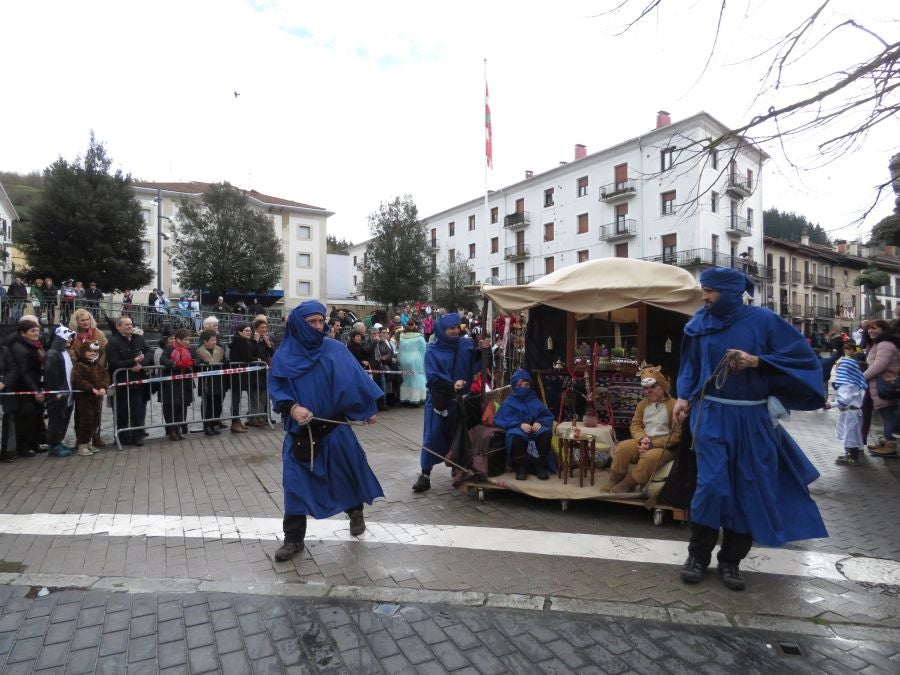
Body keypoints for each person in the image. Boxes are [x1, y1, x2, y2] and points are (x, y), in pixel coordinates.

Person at [673, 267, 827, 592]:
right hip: (711, 413)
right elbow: (690, 365)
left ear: (731, 293)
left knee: (747, 487)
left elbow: (802, 359)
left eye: (710, 290)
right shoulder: (699, 322)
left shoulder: (765, 320)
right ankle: (697, 556)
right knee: (711, 486)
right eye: (704, 289)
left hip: (753, 417)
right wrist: (683, 397)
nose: (704, 296)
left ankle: (731, 561)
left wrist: (757, 361)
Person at [268, 300, 384, 561]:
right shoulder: (284, 355)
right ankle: (293, 539)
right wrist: (292, 407)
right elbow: (277, 388)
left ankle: (355, 511)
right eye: (312, 322)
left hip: (334, 429)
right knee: (294, 486)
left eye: (321, 320)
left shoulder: (335, 349)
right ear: (299, 324)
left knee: (346, 474)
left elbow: (353, 381)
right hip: (300, 434)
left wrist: (365, 410)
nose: (318, 326)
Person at [412, 313, 490, 493]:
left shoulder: (466, 345)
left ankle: (459, 469)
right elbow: (432, 379)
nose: (455, 331)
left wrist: (484, 350)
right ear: (442, 330)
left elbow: (480, 363)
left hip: (460, 402)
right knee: (432, 437)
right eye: (451, 328)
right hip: (439, 402)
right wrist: (451, 386)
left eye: (457, 327)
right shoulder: (432, 351)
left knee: (459, 437)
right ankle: (425, 475)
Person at [602, 366, 681, 492]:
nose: (649, 391)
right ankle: (615, 479)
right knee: (623, 447)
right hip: (645, 440)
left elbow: (676, 435)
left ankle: (630, 483)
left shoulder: (674, 405)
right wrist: (642, 439)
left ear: (662, 385)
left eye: (653, 387)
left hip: (665, 446)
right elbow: (636, 425)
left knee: (650, 457)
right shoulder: (642, 404)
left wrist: (652, 444)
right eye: (645, 388)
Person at [493, 369, 554, 480]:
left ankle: (539, 465)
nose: (523, 387)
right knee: (515, 435)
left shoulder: (534, 400)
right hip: (517, 428)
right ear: (515, 386)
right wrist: (519, 424)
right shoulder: (509, 401)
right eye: (520, 385)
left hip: (534, 428)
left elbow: (546, 416)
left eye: (526, 384)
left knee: (546, 433)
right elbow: (501, 419)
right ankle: (521, 467)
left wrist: (539, 422)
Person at [106, 315, 148, 447]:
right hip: (121, 382)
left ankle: (138, 436)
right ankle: (122, 436)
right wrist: (132, 362)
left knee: (138, 410)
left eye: (131, 324)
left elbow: (149, 352)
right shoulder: (113, 342)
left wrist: (141, 364)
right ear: (118, 327)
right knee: (121, 411)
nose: (130, 326)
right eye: (127, 324)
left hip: (137, 381)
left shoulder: (138, 338)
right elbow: (114, 362)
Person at [69, 308, 108, 448]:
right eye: (82, 320)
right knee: (82, 411)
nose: (86, 322)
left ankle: (96, 436)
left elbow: (104, 351)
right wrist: (82, 364)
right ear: (77, 322)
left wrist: (98, 367)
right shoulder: (72, 336)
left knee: (97, 410)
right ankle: (81, 439)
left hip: (96, 372)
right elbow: (71, 353)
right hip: (82, 372)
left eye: (87, 319)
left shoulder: (98, 333)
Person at [8, 320, 46, 458]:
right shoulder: (19, 348)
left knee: (36, 416)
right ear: (23, 333)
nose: (36, 333)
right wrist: (35, 390)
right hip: (25, 387)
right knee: (26, 419)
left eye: (37, 330)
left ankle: (34, 443)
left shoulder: (35, 345)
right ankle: (23, 447)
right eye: (32, 331)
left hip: (36, 383)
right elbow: (24, 372)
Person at [863, 319, 900, 458]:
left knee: (889, 413)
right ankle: (886, 441)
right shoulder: (880, 343)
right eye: (869, 328)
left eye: (874, 328)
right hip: (881, 384)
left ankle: (890, 444)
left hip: (885, 384)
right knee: (886, 413)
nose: (870, 331)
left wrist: (861, 377)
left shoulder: (885, 344)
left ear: (883, 329)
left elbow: (879, 365)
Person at [71, 341, 109, 456]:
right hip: (84, 398)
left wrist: (103, 387)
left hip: (96, 399)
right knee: (85, 420)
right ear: (83, 352)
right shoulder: (79, 365)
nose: (93, 353)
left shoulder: (97, 365)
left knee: (95, 419)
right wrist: (91, 388)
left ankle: (88, 442)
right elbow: (78, 380)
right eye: (89, 351)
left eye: (94, 351)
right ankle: (81, 444)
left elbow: (106, 375)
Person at [44, 326, 77, 458]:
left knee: (64, 419)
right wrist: (57, 392)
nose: (70, 340)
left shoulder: (64, 352)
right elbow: (51, 375)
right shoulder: (52, 354)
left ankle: (59, 441)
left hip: (67, 393)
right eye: (68, 338)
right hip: (58, 394)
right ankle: (54, 445)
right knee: (56, 420)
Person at [833, 350, 867, 466]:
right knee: (855, 434)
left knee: (849, 434)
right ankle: (854, 453)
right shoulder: (855, 383)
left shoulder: (846, 385)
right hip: (855, 412)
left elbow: (844, 400)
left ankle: (852, 457)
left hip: (849, 413)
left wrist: (830, 404)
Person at [160, 328, 195, 441]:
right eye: (185, 340)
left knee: (183, 406)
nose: (187, 342)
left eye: (188, 340)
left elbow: (197, 358)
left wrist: (191, 363)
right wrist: (175, 364)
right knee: (171, 406)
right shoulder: (169, 348)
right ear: (178, 339)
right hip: (171, 382)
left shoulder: (190, 349)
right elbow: (163, 360)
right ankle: (172, 430)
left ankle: (179, 428)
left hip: (185, 382)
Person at [193, 329, 226, 436]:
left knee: (218, 403)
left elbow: (225, 362)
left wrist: (225, 362)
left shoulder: (220, 350)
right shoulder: (199, 352)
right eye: (212, 340)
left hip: (218, 380)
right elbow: (195, 365)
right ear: (205, 342)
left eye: (215, 340)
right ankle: (207, 425)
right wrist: (200, 363)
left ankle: (215, 423)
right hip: (206, 382)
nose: (214, 342)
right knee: (207, 405)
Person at [247, 316, 275, 426]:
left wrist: (269, 344)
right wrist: (256, 341)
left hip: (264, 372)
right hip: (254, 372)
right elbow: (251, 353)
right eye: (262, 327)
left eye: (265, 327)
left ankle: (262, 416)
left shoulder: (266, 339)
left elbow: (272, 353)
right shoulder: (252, 339)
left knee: (263, 395)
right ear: (256, 328)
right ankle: (254, 418)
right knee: (255, 396)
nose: (264, 329)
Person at [398, 323, 426, 406]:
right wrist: (423, 362)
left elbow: (400, 350)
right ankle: (416, 398)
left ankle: (405, 397)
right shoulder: (419, 337)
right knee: (417, 377)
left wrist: (400, 359)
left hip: (404, 358)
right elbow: (423, 350)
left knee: (406, 378)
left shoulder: (401, 337)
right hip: (415, 357)